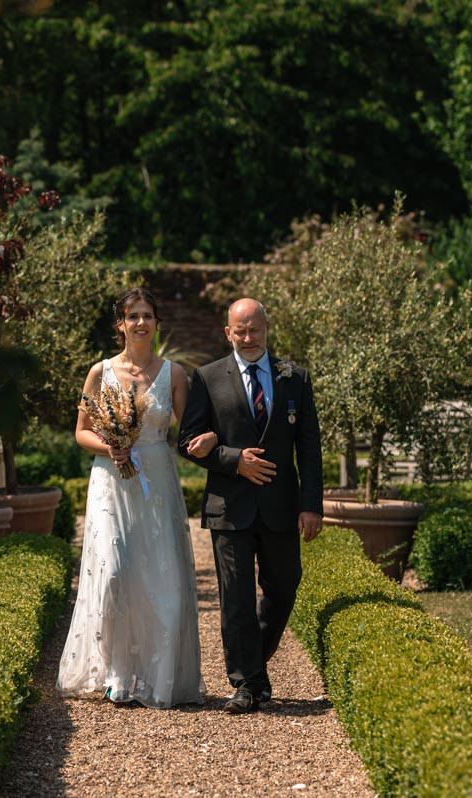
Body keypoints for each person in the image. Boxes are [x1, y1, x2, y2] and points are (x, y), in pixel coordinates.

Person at [56, 287, 212, 708]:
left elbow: (189, 429)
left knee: (160, 581)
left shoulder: (174, 373)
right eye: (133, 316)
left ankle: (155, 677)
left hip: (157, 481)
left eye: (147, 315)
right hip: (110, 480)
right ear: (120, 324)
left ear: (156, 322)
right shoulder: (99, 372)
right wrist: (110, 446)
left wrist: (211, 440)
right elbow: (81, 431)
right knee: (112, 574)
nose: (140, 322)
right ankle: (113, 671)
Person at [177, 297, 323, 714]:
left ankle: (252, 659)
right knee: (236, 598)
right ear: (228, 332)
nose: (247, 337)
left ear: (266, 328)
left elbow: (309, 448)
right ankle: (247, 684)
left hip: (280, 506)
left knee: (284, 587)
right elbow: (189, 442)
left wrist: (311, 505)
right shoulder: (206, 377)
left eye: (253, 329)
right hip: (230, 506)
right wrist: (232, 459)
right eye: (238, 331)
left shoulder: (295, 377)